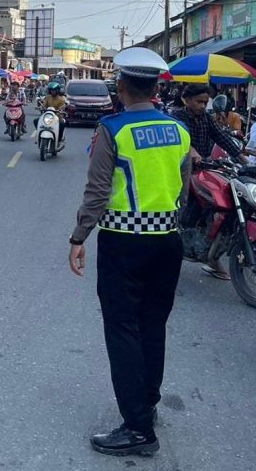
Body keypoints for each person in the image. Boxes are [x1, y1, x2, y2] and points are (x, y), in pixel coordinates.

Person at [68, 47, 191, 457]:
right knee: (153, 326)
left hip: (124, 242)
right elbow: (183, 187)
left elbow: (98, 190)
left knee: (122, 329)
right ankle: (148, 406)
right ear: (156, 88)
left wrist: (79, 237)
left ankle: (137, 429)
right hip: (167, 241)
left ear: (120, 87)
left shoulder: (113, 129)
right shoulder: (178, 129)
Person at [170, 84, 243, 163]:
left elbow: (221, 137)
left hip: (203, 164)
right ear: (187, 100)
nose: (203, 106)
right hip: (182, 165)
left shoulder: (206, 117)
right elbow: (179, 139)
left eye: (205, 103)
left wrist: (244, 160)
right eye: (199, 102)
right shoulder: (177, 117)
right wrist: (191, 150)